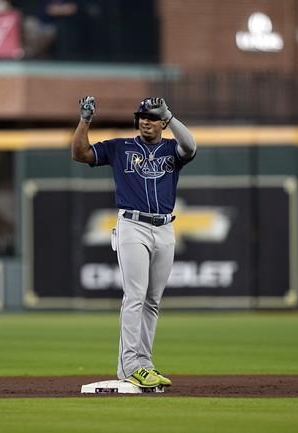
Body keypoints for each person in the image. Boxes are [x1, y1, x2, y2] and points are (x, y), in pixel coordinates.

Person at [71, 96, 197, 388]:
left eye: (152, 117)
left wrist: (171, 115)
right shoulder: (120, 147)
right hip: (132, 225)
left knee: (152, 301)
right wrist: (85, 120)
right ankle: (130, 365)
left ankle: (144, 363)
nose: (145, 120)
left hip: (165, 228)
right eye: (142, 116)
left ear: (162, 122)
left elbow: (190, 146)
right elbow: (80, 154)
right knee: (135, 296)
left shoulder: (171, 149)